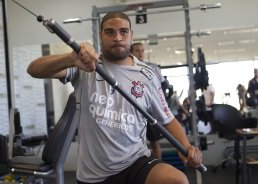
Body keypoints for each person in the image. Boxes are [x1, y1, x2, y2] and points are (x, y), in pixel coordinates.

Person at [27, 12, 202, 184]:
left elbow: (168, 119)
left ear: (131, 36)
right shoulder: (85, 67)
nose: (117, 37)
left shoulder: (147, 76)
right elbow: (34, 69)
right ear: (101, 36)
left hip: (135, 162)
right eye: (110, 32)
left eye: (123, 32)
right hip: (93, 174)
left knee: (177, 180)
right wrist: (70, 59)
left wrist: (186, 147)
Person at [130, 42, 163, 159]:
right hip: (133, 112)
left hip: (150, 112)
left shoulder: (152, 68)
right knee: (135, 144)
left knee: (154, 143)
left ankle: (158, 169)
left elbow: (160, 90)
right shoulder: (128, 69)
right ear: (131, 52)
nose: (140, 53)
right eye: (137, 50)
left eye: (142, 50)